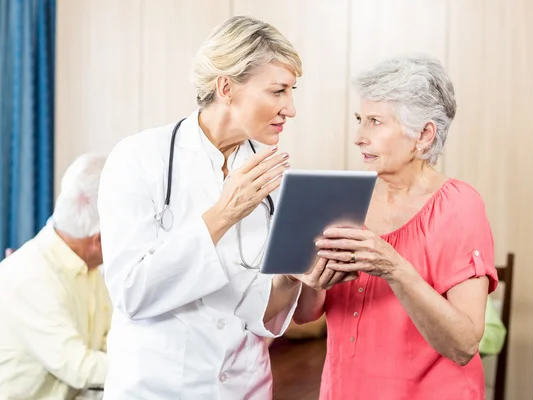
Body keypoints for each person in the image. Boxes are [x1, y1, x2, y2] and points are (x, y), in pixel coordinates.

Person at [97, 16, 312, 400]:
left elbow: (260, 309)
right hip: (156, 390)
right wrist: (224, 213)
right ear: (226, 88)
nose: (290, 108)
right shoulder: (139, 158)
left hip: (246, 387)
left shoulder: (272, 174)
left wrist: (298, 273)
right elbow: (131, 294)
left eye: (291, 91)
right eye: (278, 91)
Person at [293, 54, 499, 399]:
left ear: (424, 135)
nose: (359, 136)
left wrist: (395, 269)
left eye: (375, 122)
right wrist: (305, 279)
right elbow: (305, 315)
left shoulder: (460, 207)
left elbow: (464, 345)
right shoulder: (342, 199)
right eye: (360, 119)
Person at [0, 153, 112, 400]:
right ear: (98, 240)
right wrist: (151, 369)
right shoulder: (29, 277)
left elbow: (111, 340)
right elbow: (79, 367)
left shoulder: (89, 267)